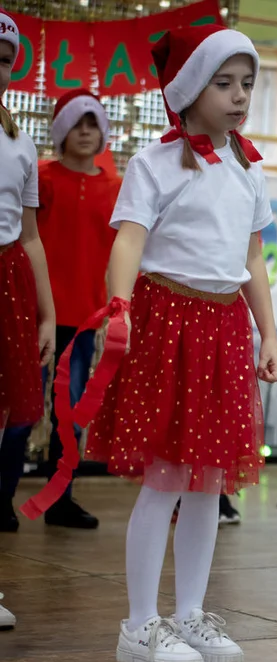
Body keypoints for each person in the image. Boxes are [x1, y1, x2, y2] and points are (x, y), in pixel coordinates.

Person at [31, 26, 277, 662]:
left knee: (209, 482)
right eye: (223, 83)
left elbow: (252, 257)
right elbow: (130, 242)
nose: (238, 96)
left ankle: (190, 612)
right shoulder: (154, 163)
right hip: (167, 320)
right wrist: (119, 307)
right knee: (168, 476)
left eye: (246, 83)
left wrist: (269, 332)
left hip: (225, 328)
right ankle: (140, 624)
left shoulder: (249, 167)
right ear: (189, 89)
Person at [4, 89, 120, 532]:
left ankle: (60, 499)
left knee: (69, 412)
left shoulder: (116, 188)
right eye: (77, 124)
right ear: (60, 132)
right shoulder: (44, 178)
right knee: (23, 408)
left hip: (85, 318)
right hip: (33, 311)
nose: (86, 132)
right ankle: (2, 497)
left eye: (93, 124)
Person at [0, 11, 57, 630]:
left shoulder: (18, 143)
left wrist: (46, 311)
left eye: (3, 59)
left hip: (6, 285)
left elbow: (31, 237)